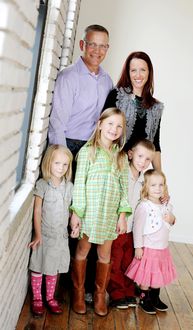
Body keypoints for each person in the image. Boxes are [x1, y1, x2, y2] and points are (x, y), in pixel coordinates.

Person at [48, 24, 113, 302]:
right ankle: (57, 281)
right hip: (69, 148)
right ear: (82, 46)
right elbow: (57, 122)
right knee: (66, 214)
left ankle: (79, 285)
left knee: (85, 215)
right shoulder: (68, 77)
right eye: (93, 44)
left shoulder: (107, 81)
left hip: (93, 151)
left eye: (103, 46)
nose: (98, 50)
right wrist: (61, 159)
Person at [70, 108, 132, 317]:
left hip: (109, 215)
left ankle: (99, 295)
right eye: (110, 124)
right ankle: (78, 293)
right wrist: (77, 213)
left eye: (118, 126)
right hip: (89, 214)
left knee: (104, 255)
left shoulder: (121, 157)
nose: (114, 129)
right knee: (82, 251)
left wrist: (122, 215)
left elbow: (125, 188)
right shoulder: (88, 152)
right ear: (99, 124)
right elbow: (79, 185)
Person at [108, 139, 155, 309]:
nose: (143, 161)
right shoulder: (122, 173)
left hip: (134, 231)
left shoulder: (145, 180)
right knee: (115, 260)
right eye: (140, 156)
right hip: (118, 227)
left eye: (148, 159)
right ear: (130, 154)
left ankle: (128, 291)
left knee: (129, 262)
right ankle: (117, 293)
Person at [28, 145, 73, 317]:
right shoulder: (42, 185)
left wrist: (74, 225)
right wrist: (37, 233)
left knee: (53, 268)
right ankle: (37, 298)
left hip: (60, 237)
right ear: (48, 163)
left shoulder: (69, 187)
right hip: (45, 235)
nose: (61, 168)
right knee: (39, 266)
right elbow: (37, 210)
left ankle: (50, 297)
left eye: (65, 164)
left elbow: (69, 210)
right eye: (57, 163)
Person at [125, 169, 176, 315]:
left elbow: (173, 221)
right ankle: (144, 298)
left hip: (162, 248)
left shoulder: (166, 205)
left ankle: (155, 297)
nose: (158, 188)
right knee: (146, 276)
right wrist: (138, 247)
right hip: (148, 248)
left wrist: (171, 218)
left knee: (158, 274)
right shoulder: (144, 206)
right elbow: (138, 228)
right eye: (153, 185)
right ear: (146, 187)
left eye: (161, 185)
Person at [103, 51, 163, 171]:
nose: (138, 75)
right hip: (112, 165)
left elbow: (155, 144)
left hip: (136, 170)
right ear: (128, 73)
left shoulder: (156, 107)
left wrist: (159, 175)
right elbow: (103, 130)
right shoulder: (116, 95)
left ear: (149, 72)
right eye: (133, 70)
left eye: (143, 70)